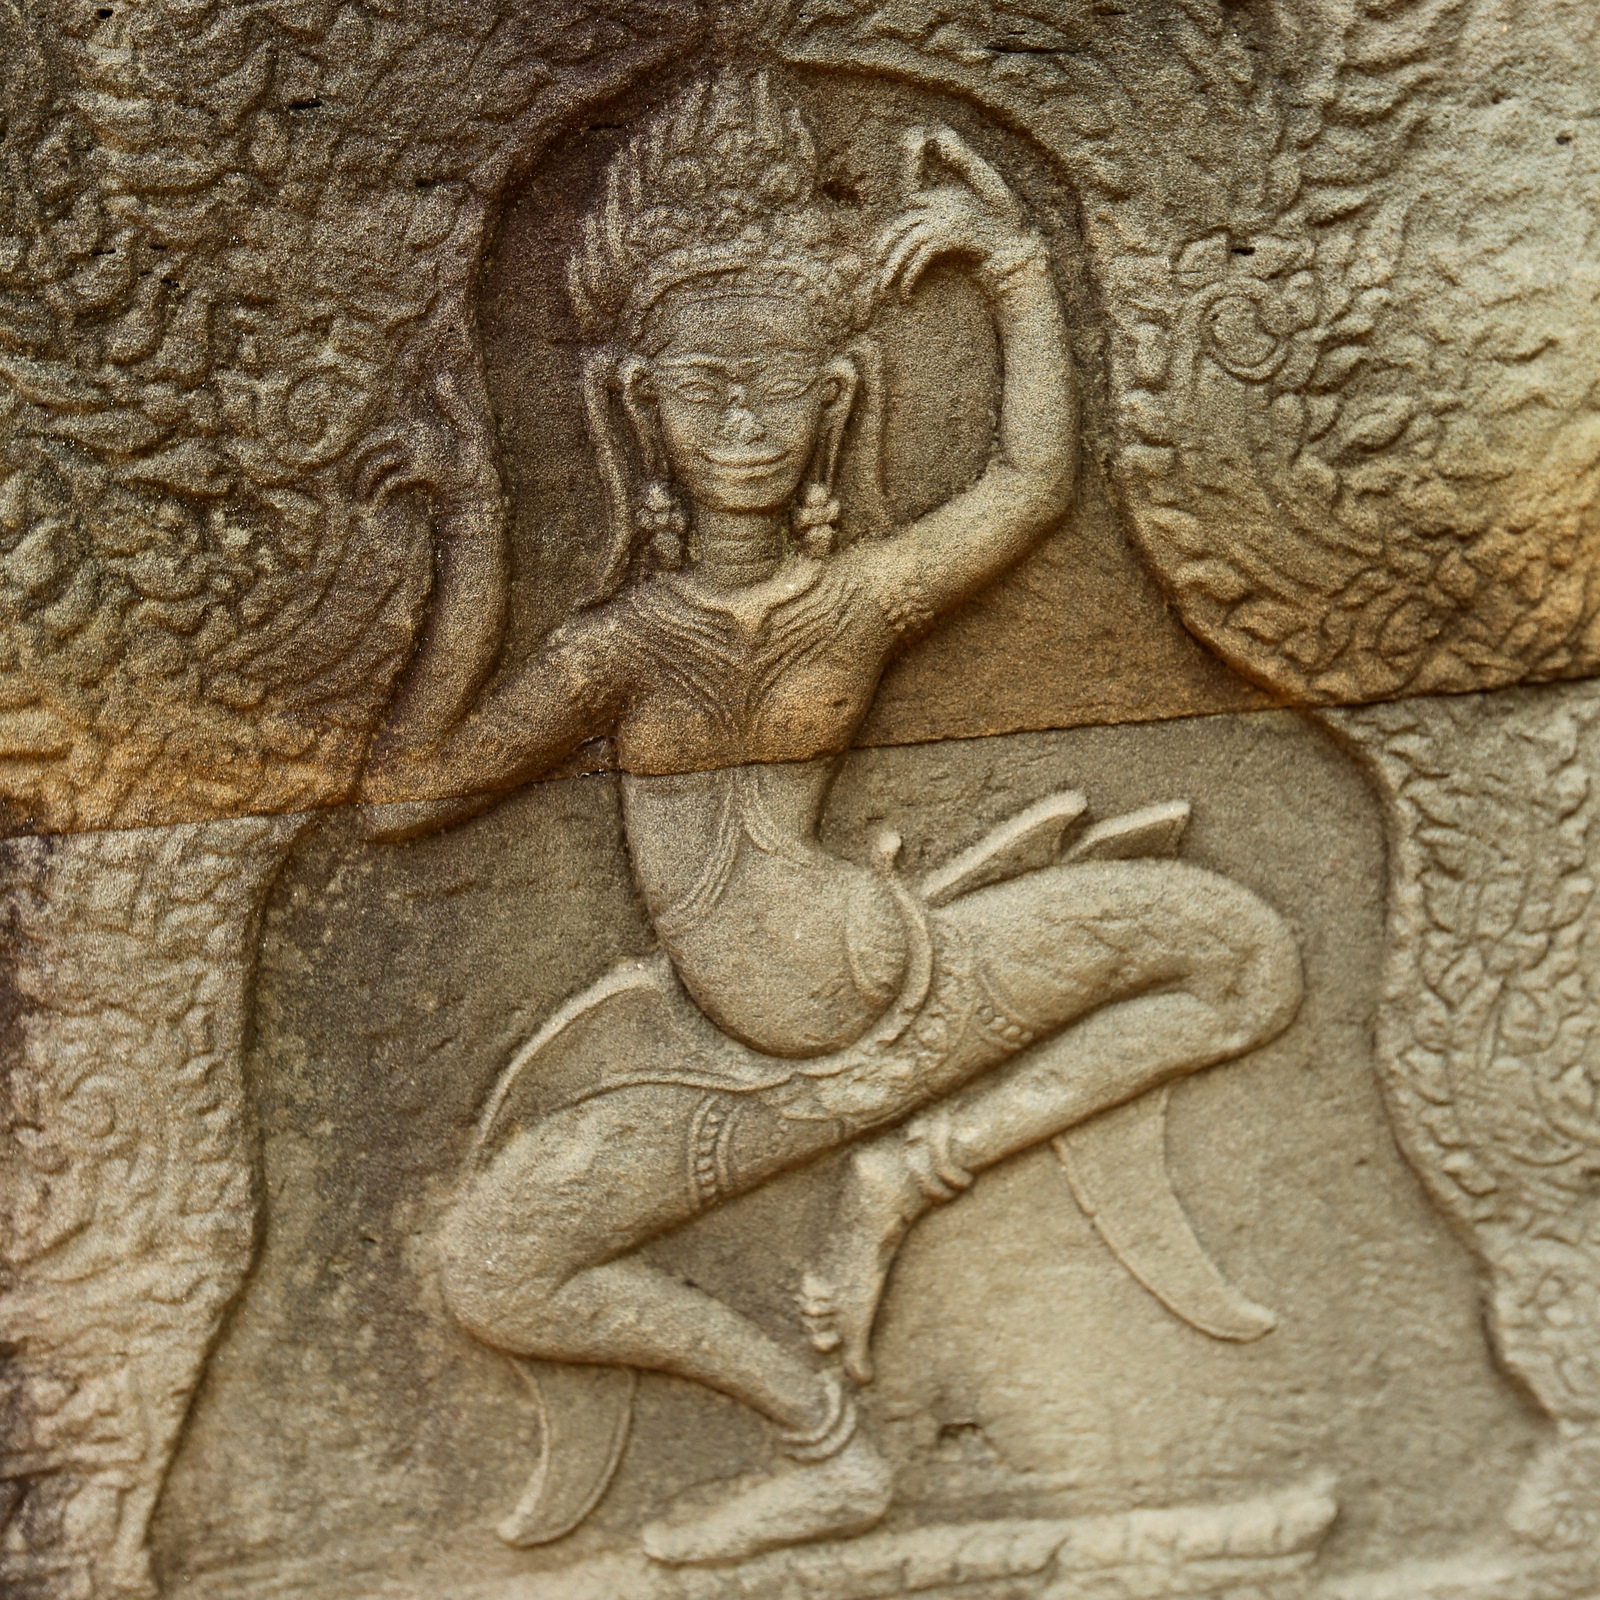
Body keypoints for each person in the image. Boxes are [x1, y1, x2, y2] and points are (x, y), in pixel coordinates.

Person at [360, 71, 1302, 1568]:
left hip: (903, 982)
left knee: (1243, 955)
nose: (744, 421)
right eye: (704, 387)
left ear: (837, 398)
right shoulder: (620, 646)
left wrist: (1014, 269)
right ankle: (821, 1440)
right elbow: (407, 797)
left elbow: (1030, 482)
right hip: (725, 1065)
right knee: (491, 1270)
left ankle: (904, 1180)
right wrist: (476, 537)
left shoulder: (857, 601)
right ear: (639, 407)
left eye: (780, 384)